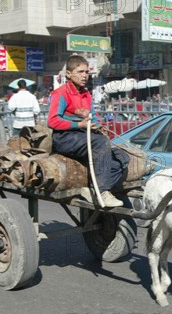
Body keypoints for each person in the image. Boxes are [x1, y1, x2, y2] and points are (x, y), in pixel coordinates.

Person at [47, 55, 129, 208]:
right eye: (80, 72)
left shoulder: (86, 94)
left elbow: (94, 117)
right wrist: (80, 125)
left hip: (85, 136)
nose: (84, 76)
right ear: (69, 74)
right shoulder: (60, 93)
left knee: (122, 157)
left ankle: (93, 188)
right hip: (65, 138)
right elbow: (52, 121)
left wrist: (98, 125)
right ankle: (103, 192)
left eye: (86, 72)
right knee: (100, 142)